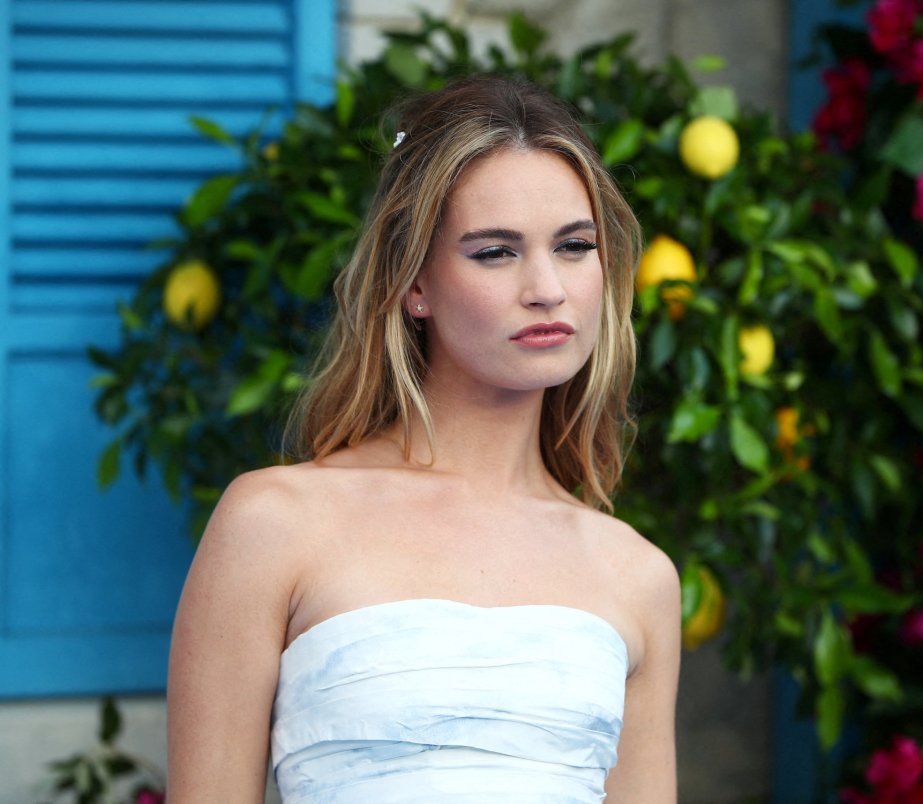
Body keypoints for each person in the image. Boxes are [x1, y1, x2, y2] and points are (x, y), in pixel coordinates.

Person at [165, 75, 680, 802]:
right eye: (495, 252)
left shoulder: (637, 574)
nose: (547, 288)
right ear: (416, 284)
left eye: (573, 245)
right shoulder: (274, 523)